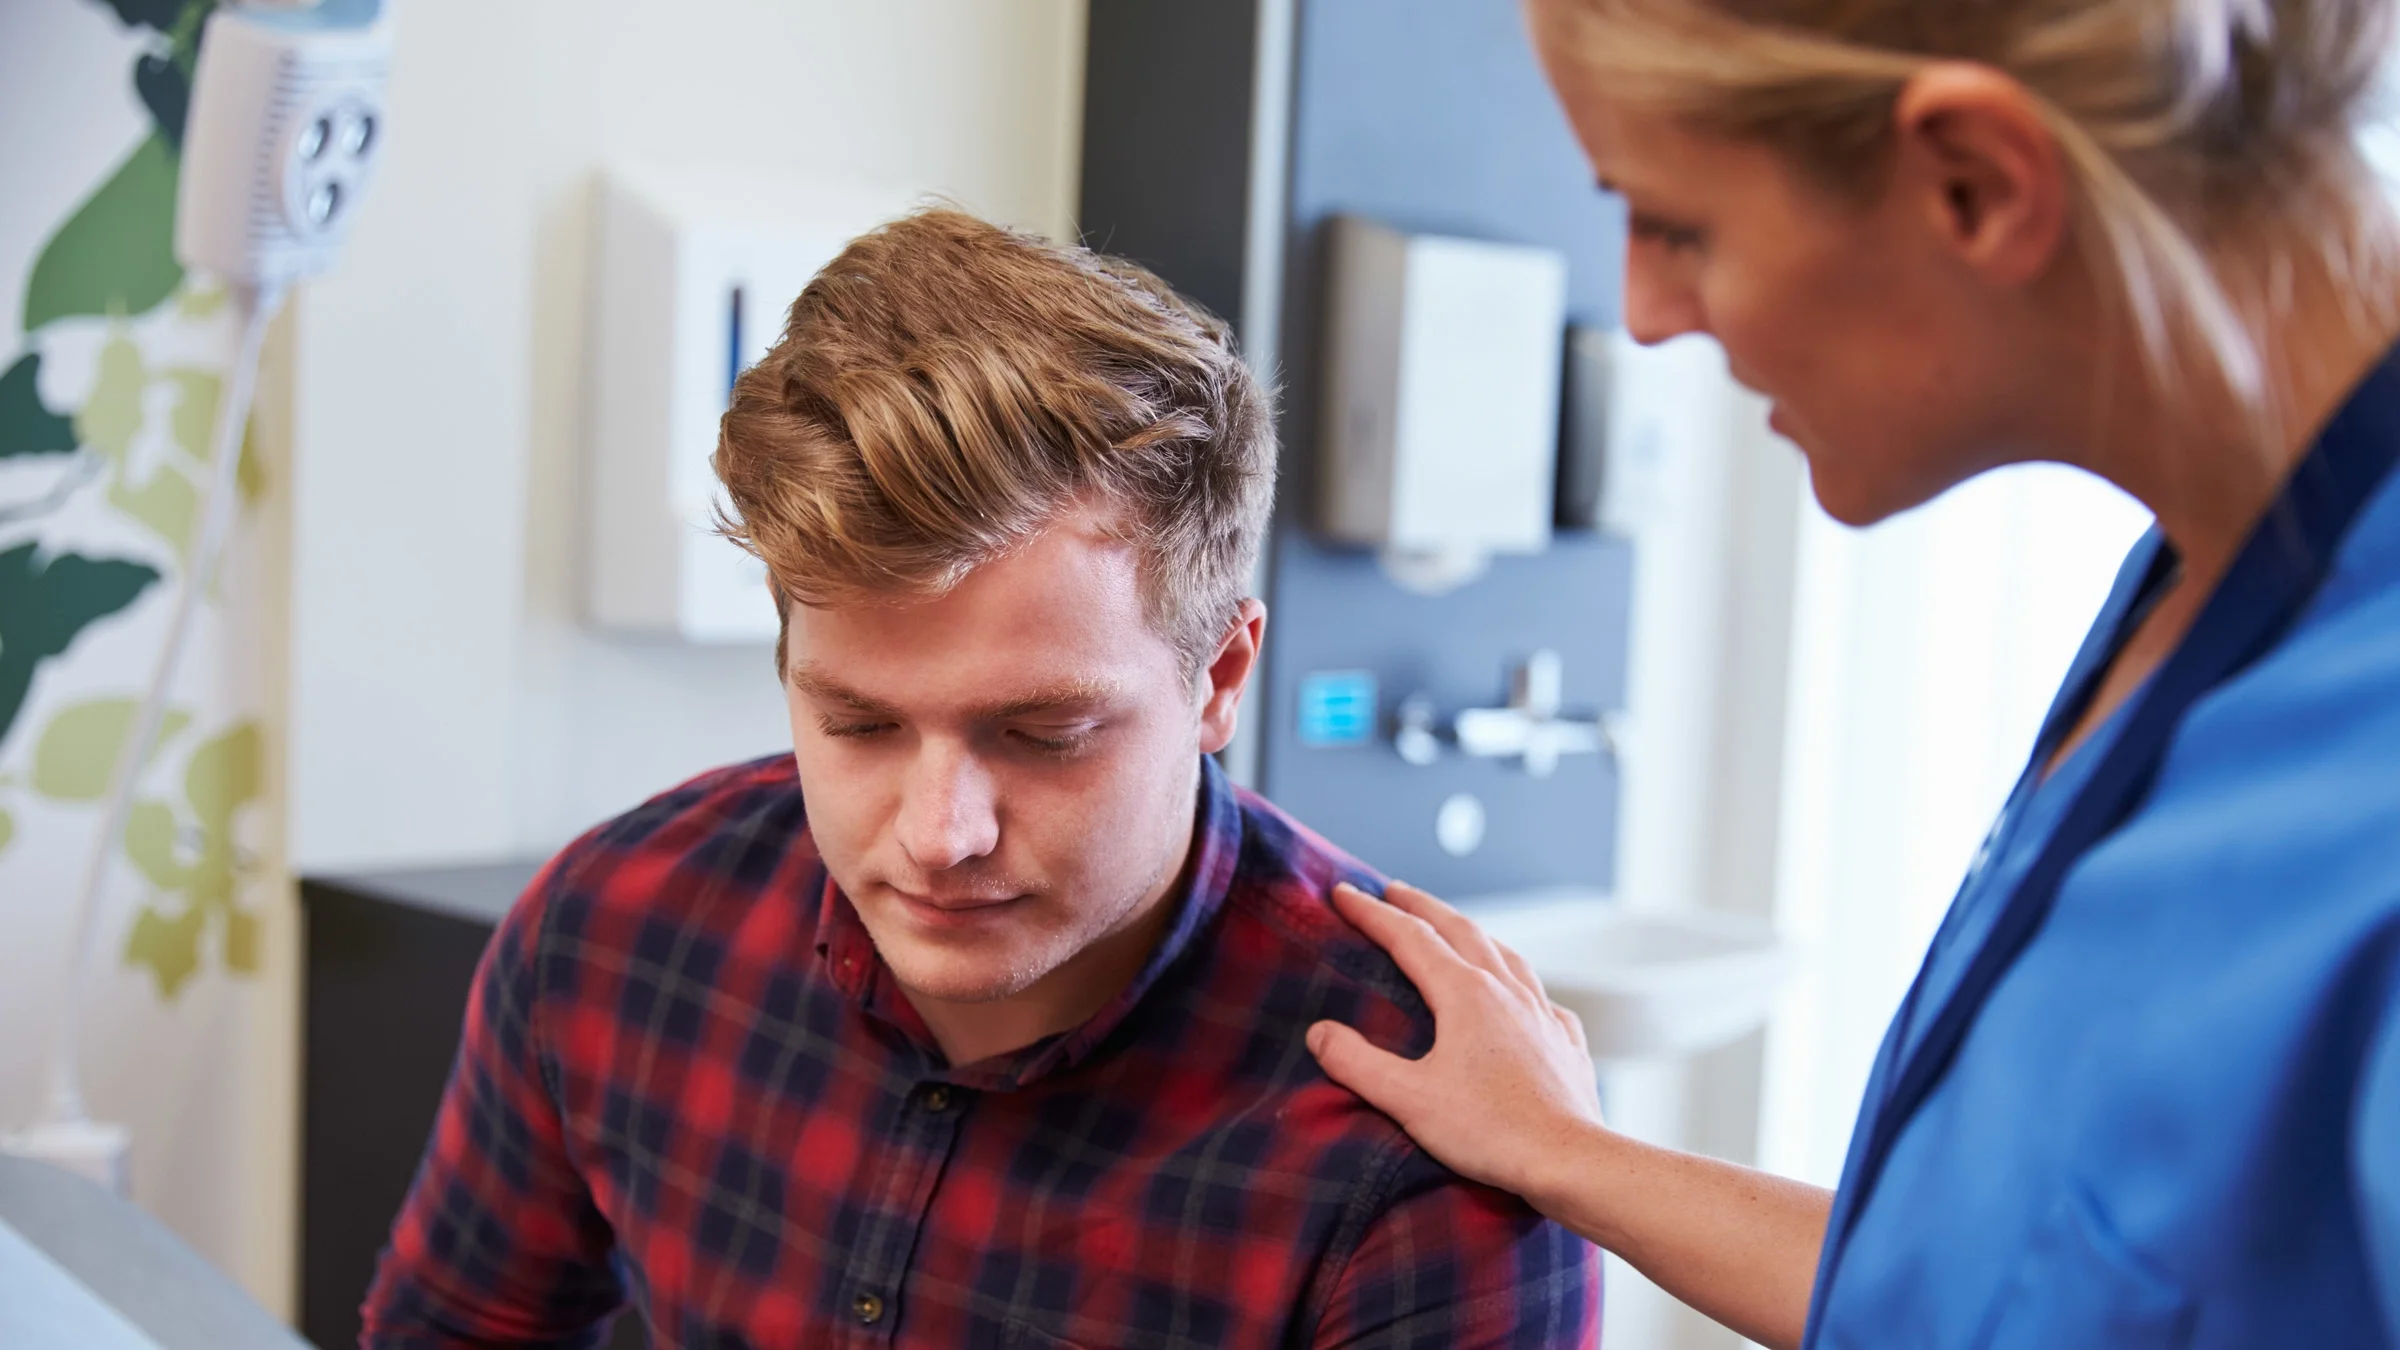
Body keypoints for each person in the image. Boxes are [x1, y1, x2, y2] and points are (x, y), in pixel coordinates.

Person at [1305, 0, 2400, 1346]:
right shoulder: (2202, 584)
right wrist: (1564, 1152)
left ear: (1975, 183)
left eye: (1677, 227)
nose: (1644, 315)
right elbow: (1999, 1290)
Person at [360, 209, 1600, 1348]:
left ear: (1219, 676)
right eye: (859, 724)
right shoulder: (615, 930)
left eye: (1043, 733)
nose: (938, 835)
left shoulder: (1428, 1144)